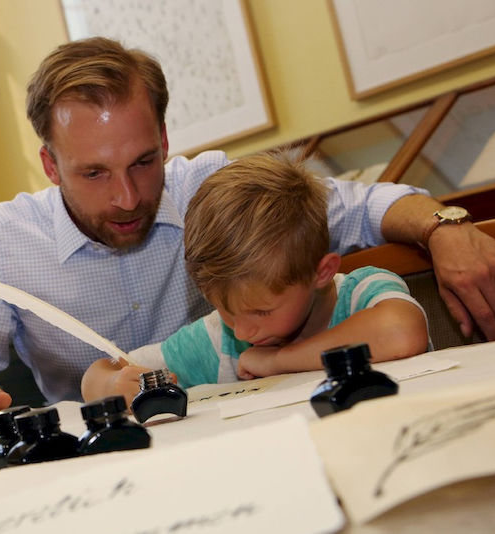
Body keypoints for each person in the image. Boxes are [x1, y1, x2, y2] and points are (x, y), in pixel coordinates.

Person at [0, 37, 495, 438]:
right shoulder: (1, 244)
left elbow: (360, 207)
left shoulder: (216, 189)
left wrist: (444, 228)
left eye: (144, 162)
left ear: (167, 142)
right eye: (94, 173)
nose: (127, 197)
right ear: (49, 165)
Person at [81, 151, 430, 404]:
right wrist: (112, 385)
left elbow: (402, 332)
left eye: (261, 312)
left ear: (321, 272)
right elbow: (101, 371)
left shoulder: (361, 295)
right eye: (227, 311)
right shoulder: (221, 340)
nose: (244, 331)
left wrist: (278, 361)